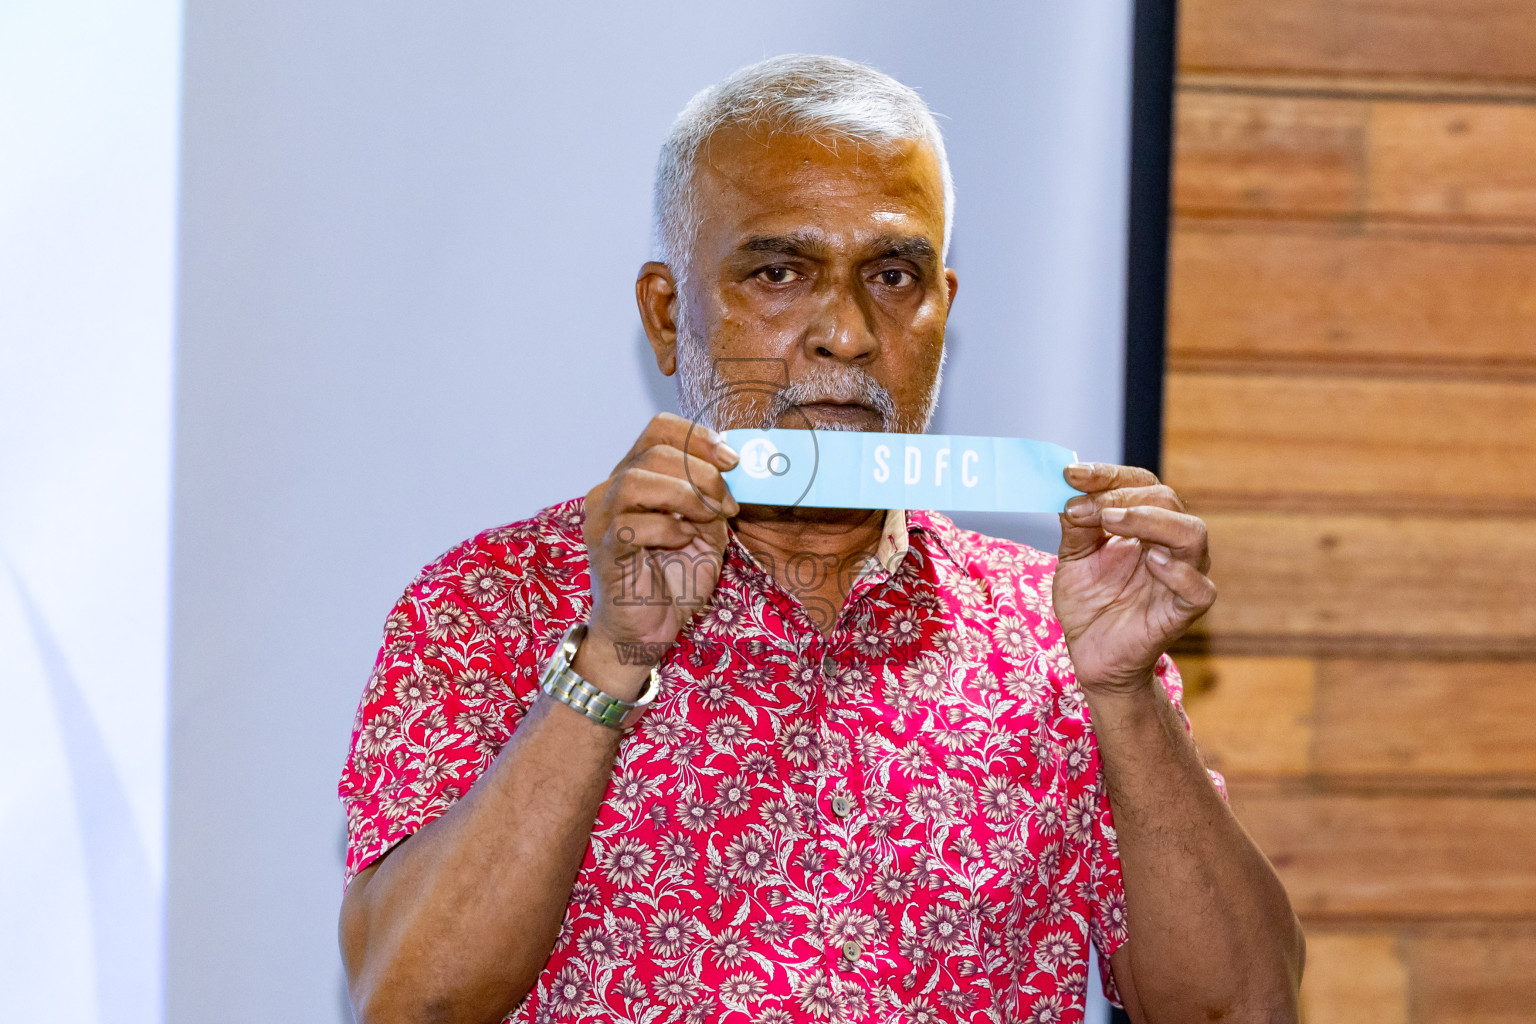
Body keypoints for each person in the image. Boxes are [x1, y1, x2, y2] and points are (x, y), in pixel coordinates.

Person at [337, 54, 1304, 1024]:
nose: (845, 331)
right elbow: (411, 1001)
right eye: (779, 272)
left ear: (942, 313)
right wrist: (612, 657)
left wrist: (1126, 696)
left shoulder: (1059, 629)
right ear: (668, 316)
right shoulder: (491, 602)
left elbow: (1241, 1008)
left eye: (892, 275)